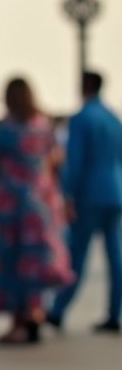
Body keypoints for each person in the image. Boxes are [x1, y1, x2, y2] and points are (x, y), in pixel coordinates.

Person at [0, 76, 72, 344]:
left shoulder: (1, 131)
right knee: (34, 263)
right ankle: (34, 313)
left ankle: (17, 323)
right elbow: (55, 163)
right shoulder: (43, 128)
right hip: (40, 206)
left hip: (8, 207)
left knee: (10, 264)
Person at [46, 71, 122, 333]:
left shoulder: (81, 119)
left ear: (85, 86)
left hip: (89, 193)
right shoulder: (113, 118)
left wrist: (67, 194)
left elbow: (75, 161)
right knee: (116, 256)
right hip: (114, 190)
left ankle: (58, 309)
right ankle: (114, 313)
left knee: (76, 254)